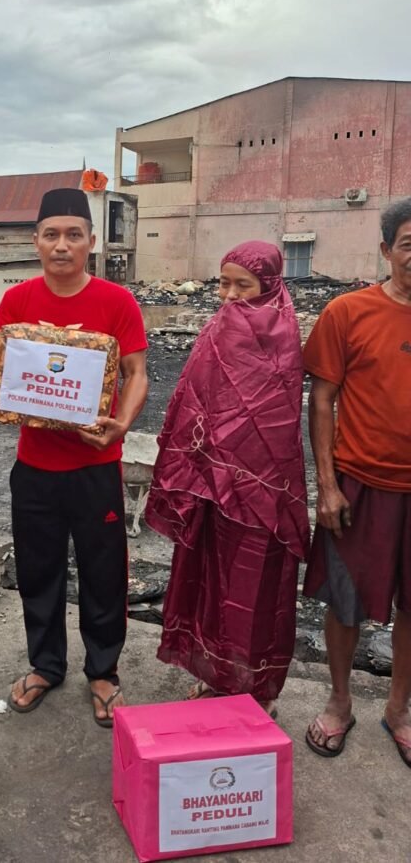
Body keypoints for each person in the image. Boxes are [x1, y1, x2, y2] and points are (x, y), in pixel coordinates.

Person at [0, 188, 148, 727]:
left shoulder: (116, 302)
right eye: (52, 235)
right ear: (35, 241)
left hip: (95, 466)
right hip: (34, 466)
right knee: (39, 570)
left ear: (91, 242)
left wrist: (121, 425)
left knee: (104, 572)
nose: (62, 246)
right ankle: (46, 664)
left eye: (73, 235)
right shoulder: (17, 302)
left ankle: (103, 671)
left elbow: (137, 374)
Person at [145, 242, 309, 715]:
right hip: (210, 485)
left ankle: (253, 687)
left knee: (253, 589)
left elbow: (276, 421)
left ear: (271, 286)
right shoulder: (216, 329)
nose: (230, 295)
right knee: (210, 580)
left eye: (243, 285)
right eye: (223, 283)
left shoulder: (283, 335)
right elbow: (192, 398)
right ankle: (216, 675)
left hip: (262, 489)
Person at [303, 198, 411, 766]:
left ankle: (398, 709)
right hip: (360, 482)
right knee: (342, 601)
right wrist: (326, 484)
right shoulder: (348, 312)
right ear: (387, 250)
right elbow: (321, 398)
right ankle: (339, 702)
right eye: (410, 244)